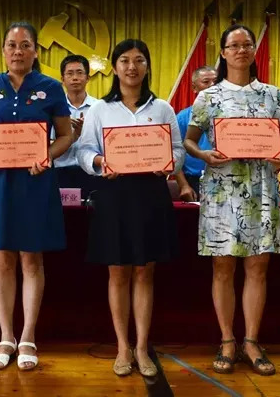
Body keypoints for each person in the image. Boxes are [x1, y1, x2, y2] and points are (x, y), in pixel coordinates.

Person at [185, 24, 280, 376]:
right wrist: (203, 155)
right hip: (221, 187)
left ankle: (251, 340)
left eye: (247, 44)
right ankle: (228, 339)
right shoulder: (208, 96)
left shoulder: (273, 94)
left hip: (262, 186)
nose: (241, 50)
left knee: (258, 266)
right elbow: (189, 141)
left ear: (254, 51)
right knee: (223, 266)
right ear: (224, 52)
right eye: (234, 45)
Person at [76, 39, 184, 377]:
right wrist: (98, 160)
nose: (132, 67)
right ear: (114, 67)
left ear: (147, 67)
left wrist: (167, 163)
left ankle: (142, 346)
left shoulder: (163, 108)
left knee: (145, 271)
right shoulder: (100, 110)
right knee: (118, 272)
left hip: (150, 194)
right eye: (124, 60)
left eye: (139, 60)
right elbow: (83, 151)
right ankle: (123, 346)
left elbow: (178, 150)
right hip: (113, 194)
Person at [0, 21, 72, 372]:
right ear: (3, 50)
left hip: (35, 183)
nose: (18, 51)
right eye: (11, 45)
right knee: (2, 261)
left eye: (25, 45)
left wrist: (49, 155)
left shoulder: (51, 87)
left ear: (35, 51)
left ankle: (28, 336)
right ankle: (5, 336)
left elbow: (66, 135)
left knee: (31, 261)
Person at [52, 54, 99, 198]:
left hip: (92, 173)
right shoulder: (53, 109)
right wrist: (72, 137)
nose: (75, 78)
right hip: (60, 174)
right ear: (62, 79)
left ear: (88, 77)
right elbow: (47, 146)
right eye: (70, 73)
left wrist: (86, 134)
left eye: (80, 73)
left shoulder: (99, 107)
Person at [173, 66, 217, 201]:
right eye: (206, 82)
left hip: (224, 179)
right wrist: (184, 185)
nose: (212, 86)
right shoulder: (182, 117)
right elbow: (174, 154)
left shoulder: (231, 115)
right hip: (193, 181)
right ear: (194, 87)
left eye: (216, 81)